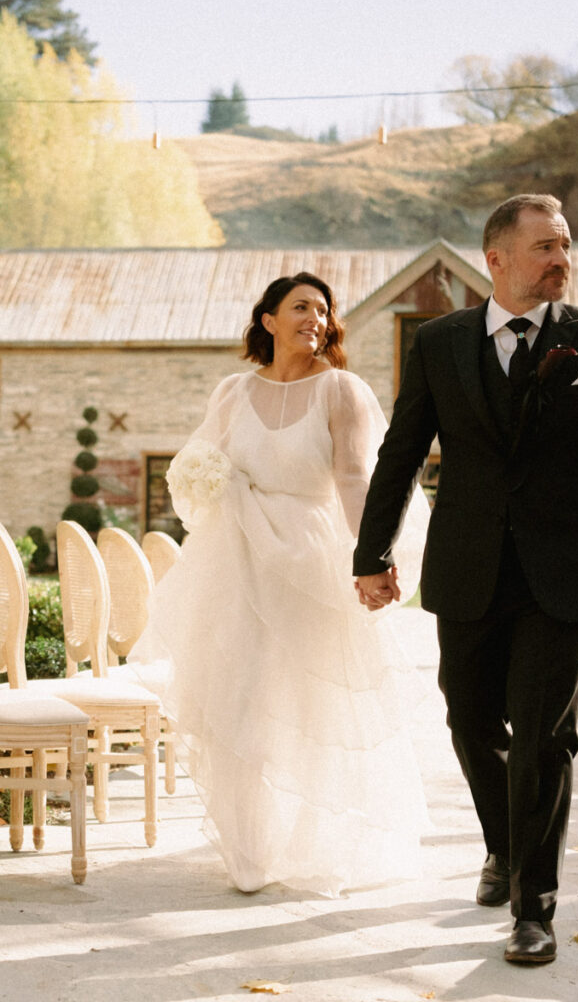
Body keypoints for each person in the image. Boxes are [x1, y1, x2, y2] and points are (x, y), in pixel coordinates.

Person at [353, 194, 578, 964]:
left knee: (542, 739)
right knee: (467, 721)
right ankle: (503, 843)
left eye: (565, 247)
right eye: (544, 248)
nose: (561, 260)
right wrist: (372, 554)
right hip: (467, 568)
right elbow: (401, 453)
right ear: (496, 259)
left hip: (565, 577)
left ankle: (535, 907)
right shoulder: (437, 343)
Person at [128, 272, 429, 896]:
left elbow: (353, 479)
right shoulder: (233, 393)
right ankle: (249, 849)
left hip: (311, 563)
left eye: (323, 310)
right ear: (268, 319)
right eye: (300, 307)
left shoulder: (340, 390)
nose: (314, 319)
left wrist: (369, 560)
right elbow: (196, 466)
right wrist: (205, 485)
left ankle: (317, 842)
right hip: (235, 560)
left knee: (311, 704)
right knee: (238, 699)